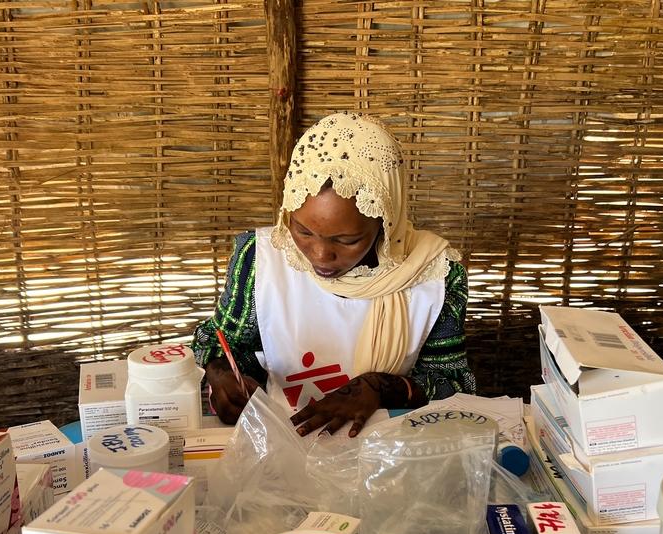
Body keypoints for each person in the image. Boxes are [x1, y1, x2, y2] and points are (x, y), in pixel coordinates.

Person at [192, 112, 476, 437]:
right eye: (303, 231)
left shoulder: (432, 274)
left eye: (347, 240)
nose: (320, 254)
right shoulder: (260, 259)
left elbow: (454, 386)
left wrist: (381, 387)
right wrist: (220, 374)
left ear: (386, 223)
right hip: (283, 444)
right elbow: (222, 342)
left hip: (386, 455)